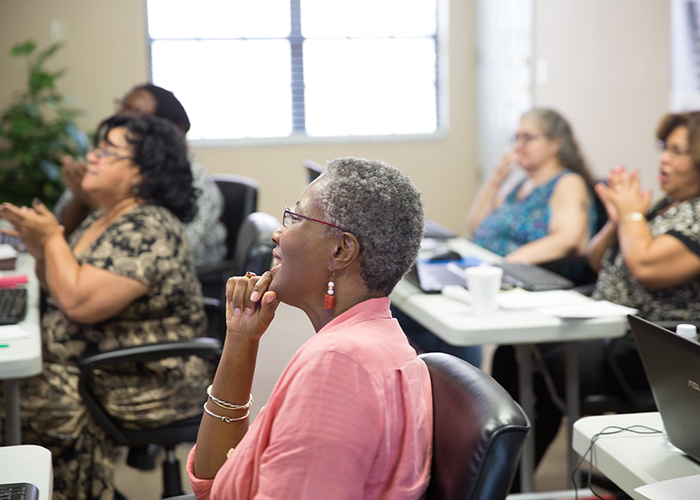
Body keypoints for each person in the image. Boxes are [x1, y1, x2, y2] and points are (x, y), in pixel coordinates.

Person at [187, 157, 433, 499]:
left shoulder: (340, 366)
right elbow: (213, 479)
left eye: (294, 218)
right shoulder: (370, 340)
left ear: (341, 249)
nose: (277, 232)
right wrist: (241, 339)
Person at [0, 114, 213, 500]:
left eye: (107, 152)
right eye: (96, 148)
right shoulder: (106, 216)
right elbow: (62, 288)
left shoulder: (148, 227)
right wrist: (40, 247)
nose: (91, 158)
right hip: (95, 364)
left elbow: (80, 303)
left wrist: (51, 239)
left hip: (140, 377)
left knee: (9, 396)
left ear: (142, 174)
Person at [492, 110, 700, 484]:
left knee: (540, 359)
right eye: (664, 148)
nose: (665, 159)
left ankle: (506, 479)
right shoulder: (662, 206)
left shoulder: (696, 216)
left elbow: (647, 268)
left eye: (678, 151)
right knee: (516, 351)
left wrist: (632, 218)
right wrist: (616, 220)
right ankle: (502, 475)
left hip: (646, 347)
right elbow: (596, 258)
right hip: (609, 327)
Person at [55, 83, 227, 267]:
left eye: (138, 113)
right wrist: (79, 199)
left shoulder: (194, 180)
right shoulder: (103, 161)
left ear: (172, 129)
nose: (122, 116)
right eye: (123, 106)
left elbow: (171, 250)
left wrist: (95, 201)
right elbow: (60, 227)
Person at [468, 108, 597, 265]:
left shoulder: (568, 182)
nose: (518, 146)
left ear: (555, 144)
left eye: (527, 138)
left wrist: (507, 264)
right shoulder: (521, 184)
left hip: (521, 276)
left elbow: (569, 239)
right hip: (485, 266)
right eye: (516, 138)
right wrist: (496, 179)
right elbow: (475, 227)